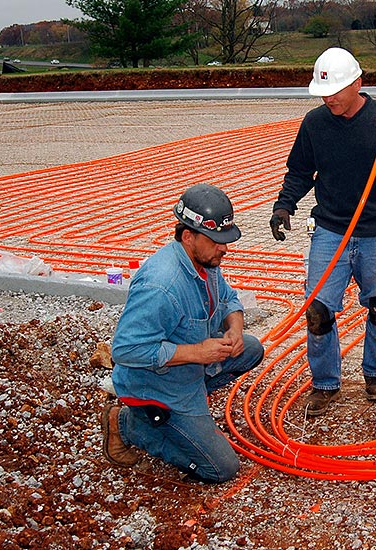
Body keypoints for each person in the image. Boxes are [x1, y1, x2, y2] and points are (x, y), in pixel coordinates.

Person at [269, 47, 376, 417]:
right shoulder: (315, 124)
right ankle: (325, 383)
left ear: (357, 83)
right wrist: (284, 205)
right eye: (323, 92)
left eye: (336, 91)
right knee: (318, 310)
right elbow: (299, 171)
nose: (329, 98)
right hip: (331, 230)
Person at [101, 183, 264, 483]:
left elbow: (228, 299)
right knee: (222, 469)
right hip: (156, 384)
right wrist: (199, 353)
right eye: (216, 241)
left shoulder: (206, 261)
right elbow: (125, 351)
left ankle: (192, 405)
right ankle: (128, 424)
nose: (224, 248)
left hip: (187, 371)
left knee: (251, 348)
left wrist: (235, 329)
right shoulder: (161, 284)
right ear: (188, 236)